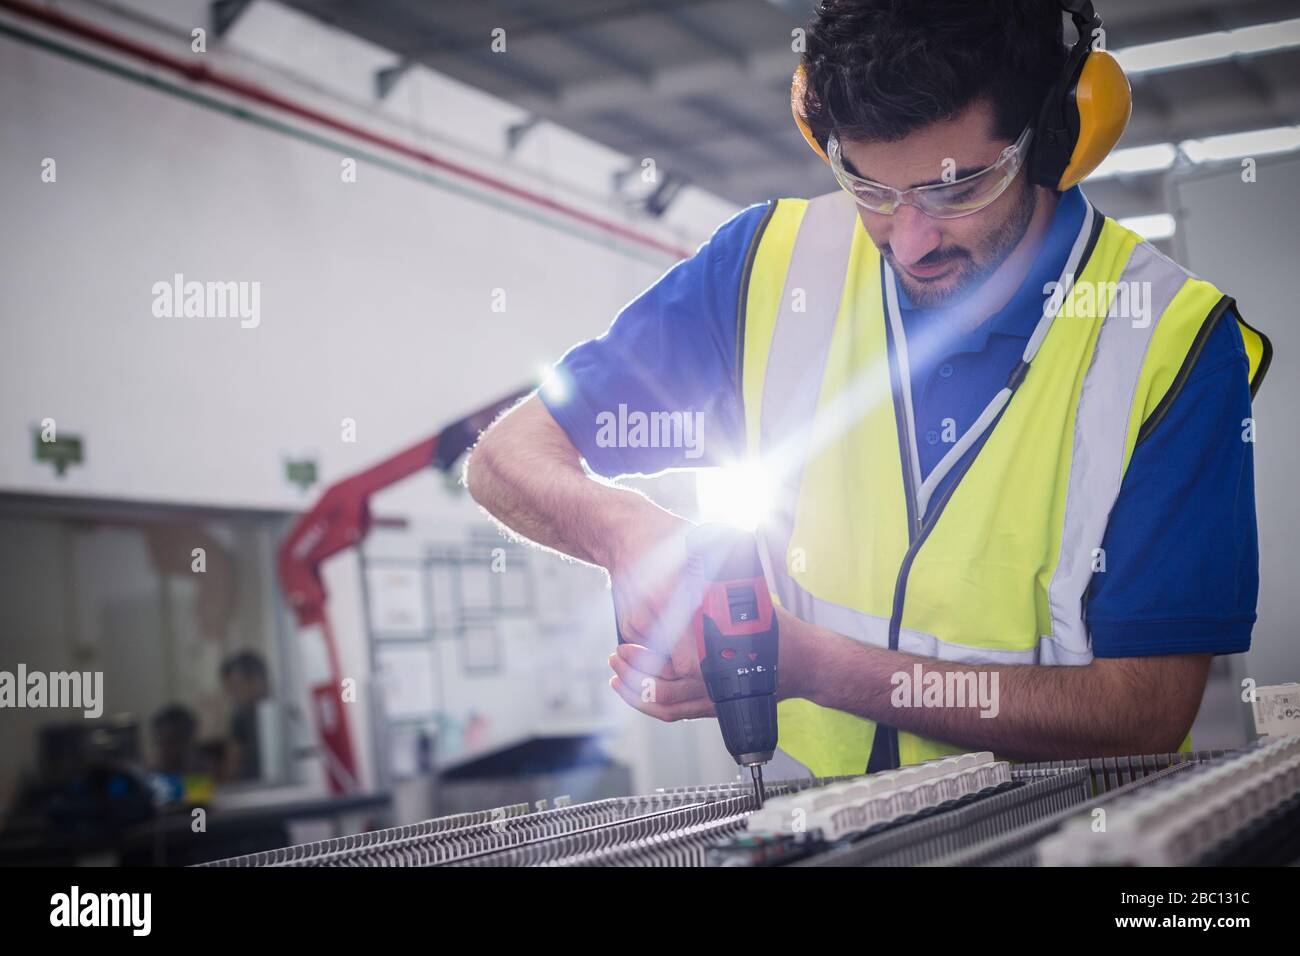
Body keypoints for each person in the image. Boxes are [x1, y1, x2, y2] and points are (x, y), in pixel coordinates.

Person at [465, 0, 1272, 776]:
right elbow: (505, 457)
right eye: (870, 186)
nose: (908, 240)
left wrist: (815, 667)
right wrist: (622, 531)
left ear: (1058, 136)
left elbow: (1141, 713)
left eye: (956, 188)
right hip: (823, 832)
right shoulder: (765, 268)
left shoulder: (1170, 341)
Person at [220, 651, 270, 781]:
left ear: (257, 682)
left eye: (236, 688)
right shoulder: (241, 717)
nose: (232, 696)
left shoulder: (278, 715)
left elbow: (232, 770)